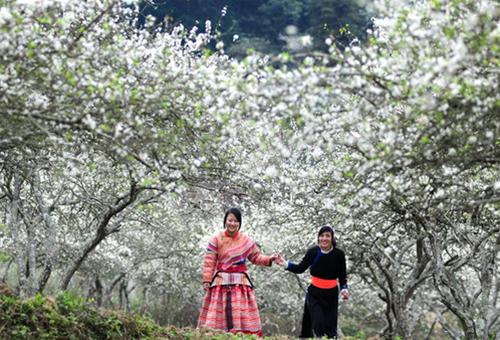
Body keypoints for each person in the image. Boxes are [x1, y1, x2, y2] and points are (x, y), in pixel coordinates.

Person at [197, 207, 278, 336]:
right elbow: (209, 261)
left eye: (235, 221)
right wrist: (207, 280)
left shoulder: (246, 240)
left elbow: (256, 257)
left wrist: (270, 259)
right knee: (218, 316)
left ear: (239, 223)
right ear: (225, 221)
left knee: (240, 312)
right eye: (230, 220)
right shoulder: (216, 239)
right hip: (220, 282)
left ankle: (241, 336)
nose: (232, 224)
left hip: (240, 284)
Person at [276, 225, 349, 338]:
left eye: (327, 236)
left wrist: (344, 288)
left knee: (330, 328)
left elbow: (342, 275)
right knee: (318, 324)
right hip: (315, 293)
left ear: (332, 238)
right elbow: (300, 268)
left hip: (331, 294)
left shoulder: (339, 254)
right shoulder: (313, 252)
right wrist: (285, 264)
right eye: (322, 236)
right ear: (318, 237)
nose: (324, 238)